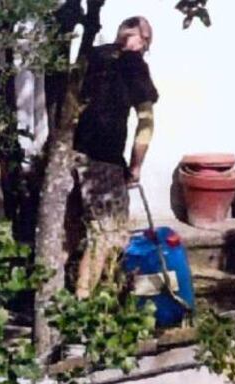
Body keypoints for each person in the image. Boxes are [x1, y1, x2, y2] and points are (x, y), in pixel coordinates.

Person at [72, 16, 159, 299]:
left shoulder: (91, 56)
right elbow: (146, 122)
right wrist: (135, 167)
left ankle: (51, 304)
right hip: (102, 161)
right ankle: (81, 305)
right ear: (141, 40)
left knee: (69, 231)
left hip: (67, 156)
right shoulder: (134, 64)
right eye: (146, 42)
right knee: (107, 234)